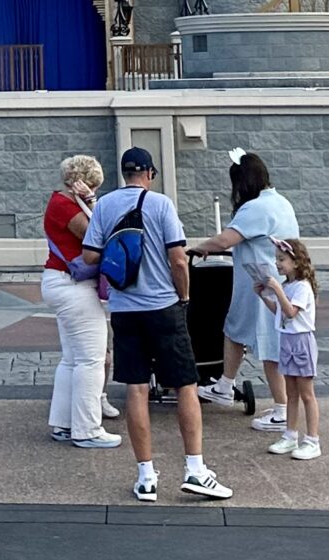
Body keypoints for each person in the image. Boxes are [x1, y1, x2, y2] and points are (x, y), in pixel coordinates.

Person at [76, 146, 232, 504]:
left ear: (123, 173)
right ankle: (195, 469)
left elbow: (89, 256)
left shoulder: (106, 206)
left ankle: (145, 476)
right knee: (185, 385)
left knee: (136, 389)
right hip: (162, 306)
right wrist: (185, 298)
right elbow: (179, 260)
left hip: (124, 309)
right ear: (148, 173)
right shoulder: (160, 204)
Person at [187, 149, 297, 434]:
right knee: (234, 329)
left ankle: (283, 410)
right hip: (262, 282)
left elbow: (227, 239)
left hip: (263, 284)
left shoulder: (256, 207)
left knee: (268, 345)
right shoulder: (280, 201)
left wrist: (199, 248)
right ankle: (224, 385)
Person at [43, 153, 121, 449]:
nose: (95, 191)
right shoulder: (66, 206)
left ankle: (63, 424)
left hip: (60, 283)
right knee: (92, 359)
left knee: (72, 360)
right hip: (73, 286)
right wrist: (93, 204)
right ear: (82, 183)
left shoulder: (59, 202)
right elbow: (98, 238)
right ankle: (87, 429)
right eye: (93, 186)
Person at [256, 237, 322, 461]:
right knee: (291, 393)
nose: (278, 263)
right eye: (277, 259)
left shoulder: (302, 287)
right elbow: (279, 311)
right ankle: (290, 435)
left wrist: (276, 288)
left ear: (296, 262)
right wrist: (264, 296)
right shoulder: (287, 286)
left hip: (301, 342)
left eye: (281, 259)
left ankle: (312, 440)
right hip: (287, 340)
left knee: (306, 393)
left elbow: (291, 312)